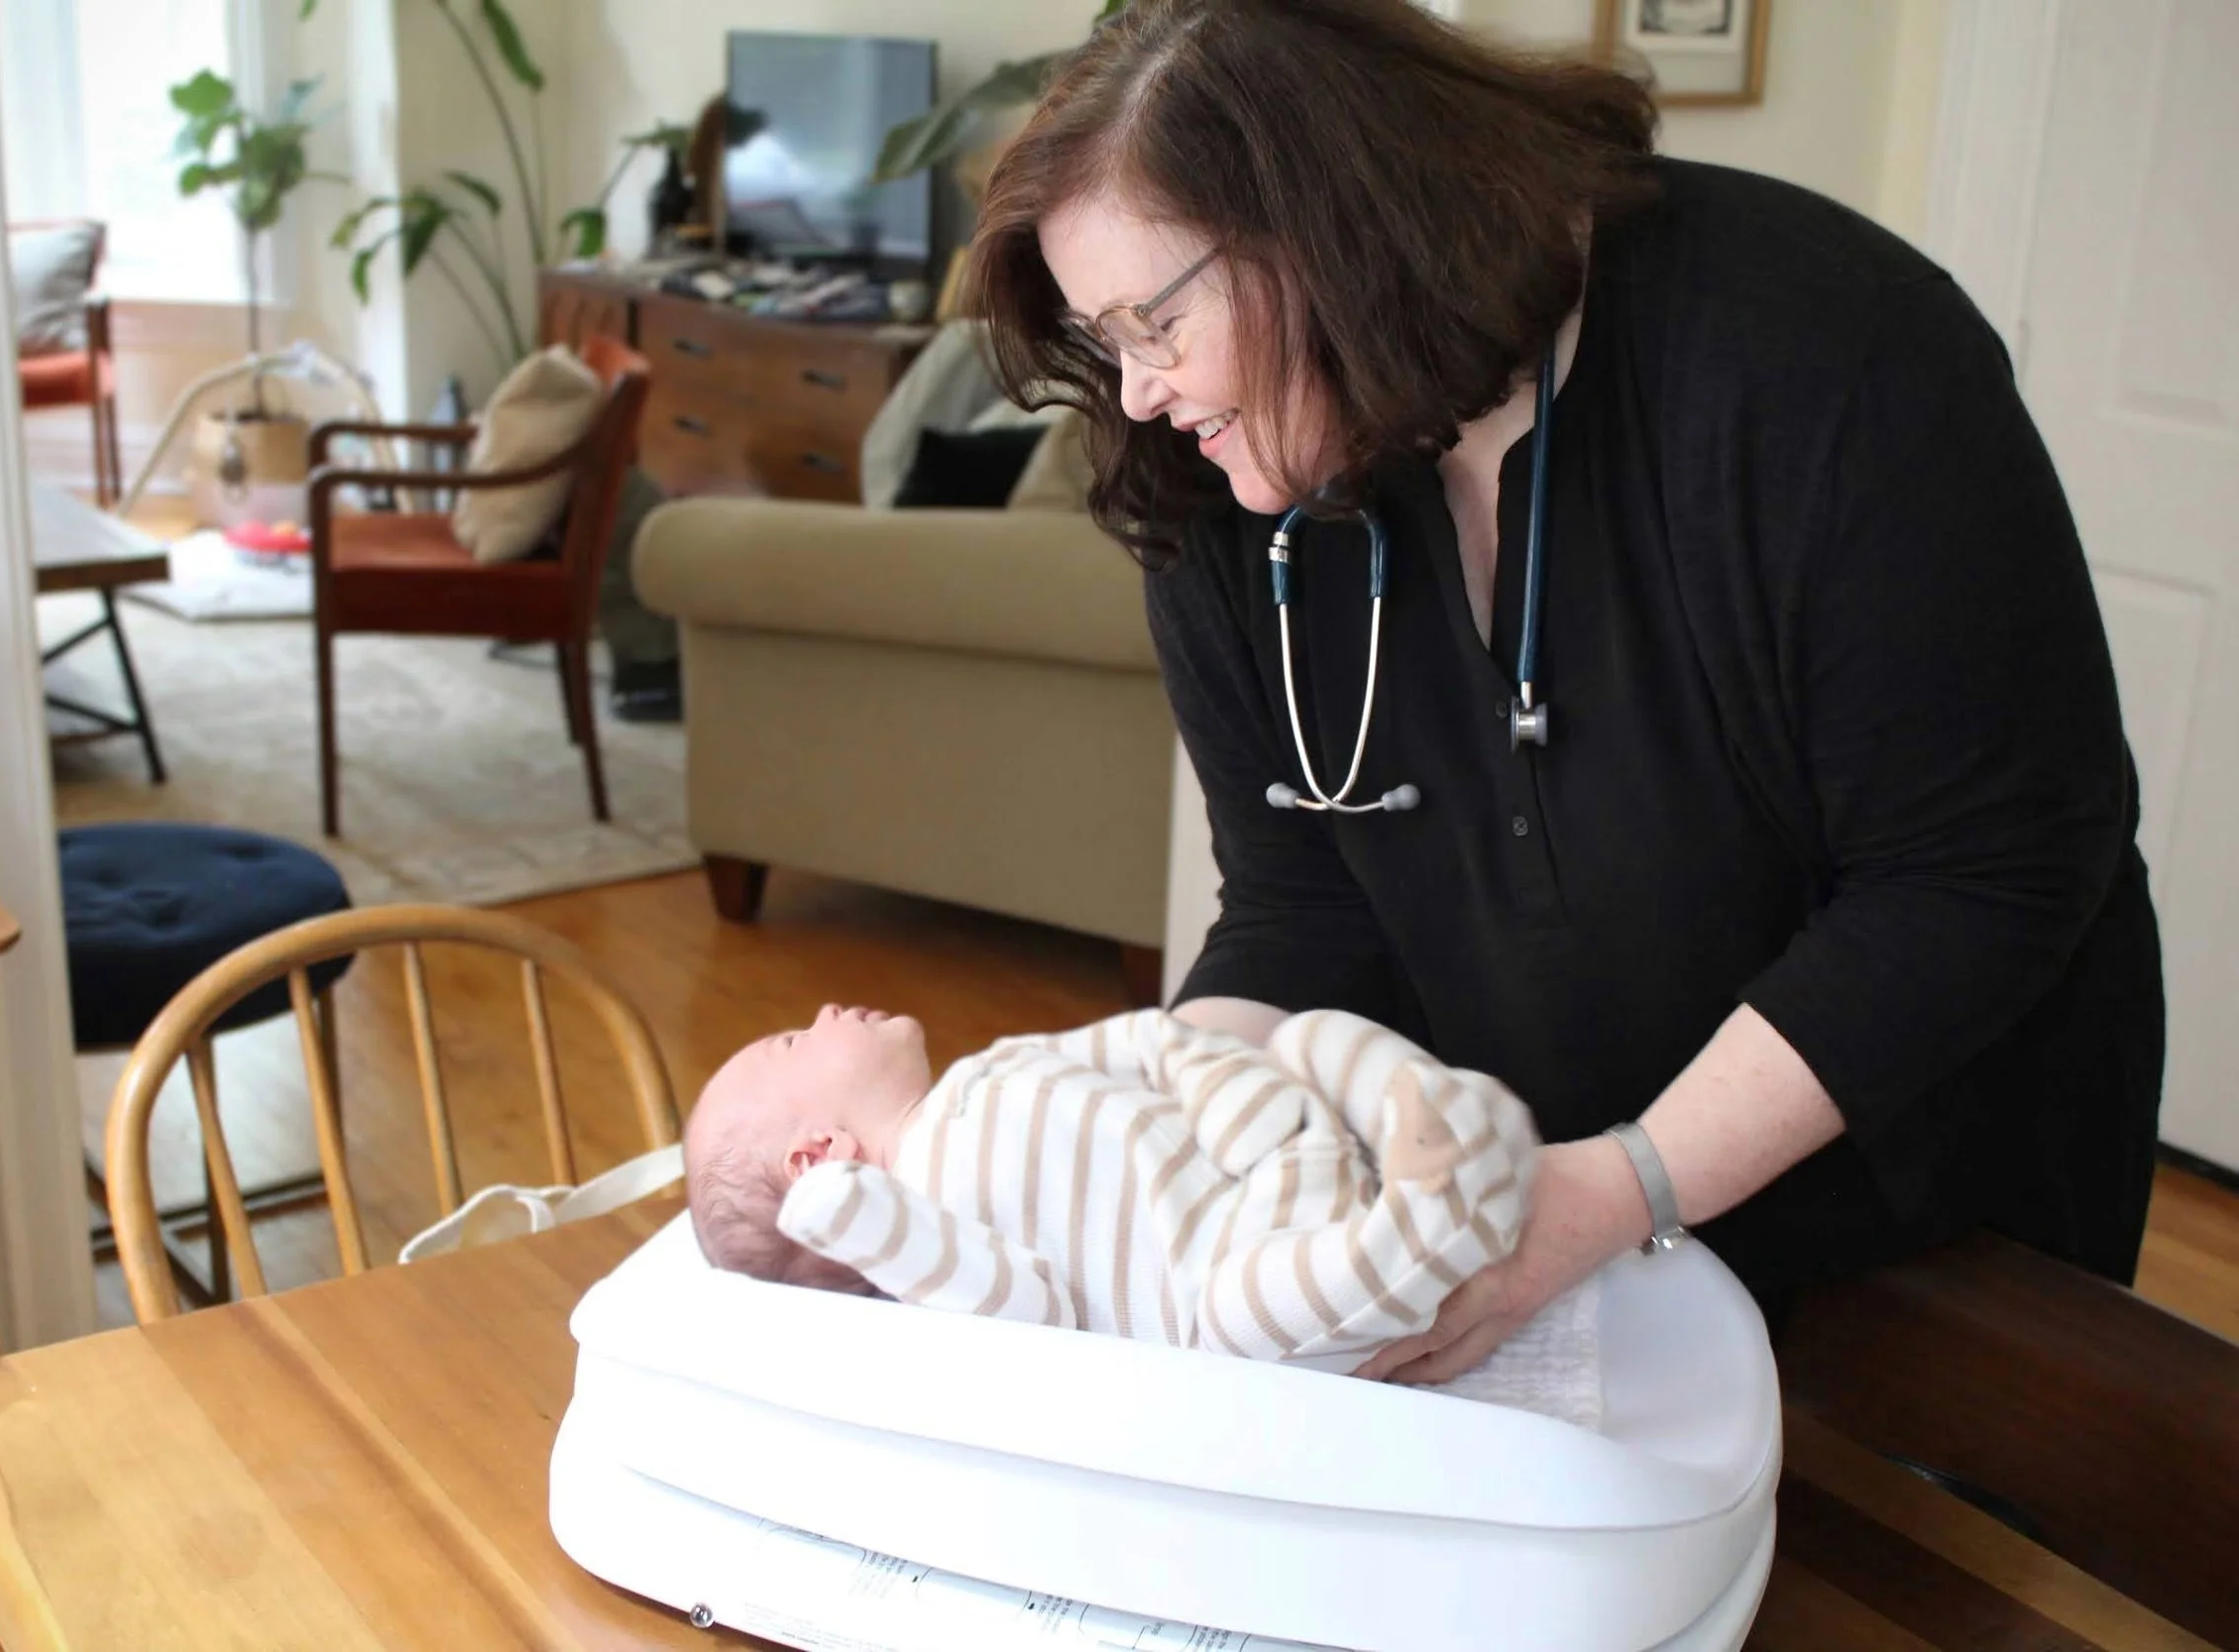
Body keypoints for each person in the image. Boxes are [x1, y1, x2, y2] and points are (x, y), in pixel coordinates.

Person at [962, 0, 2164, 1386]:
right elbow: (1304, 903)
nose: (1140, 392)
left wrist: (1620, 1183)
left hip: (1923, 1217)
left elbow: (1977, 874)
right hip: (1535, 1222)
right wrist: (1144, 1124)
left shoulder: (1818, 351)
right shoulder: (1221, 486)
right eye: (1104, 339)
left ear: (1337, 225)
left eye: (1156, 323)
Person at [681, 1002, 1598, 1401]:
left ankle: (1438, 1118)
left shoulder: (987, 1068)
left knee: (1310, 1037)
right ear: (819, 1157)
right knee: (1246, 1321)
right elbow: (1029, 1315)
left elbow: (1139, 1043)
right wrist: (879, 1225)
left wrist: (1206, 1069)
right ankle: (1438, 1212)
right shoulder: (933, 1252)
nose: (826, 1011)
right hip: (1230, 1286)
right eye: (795, 1040)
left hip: (1267, 1152)